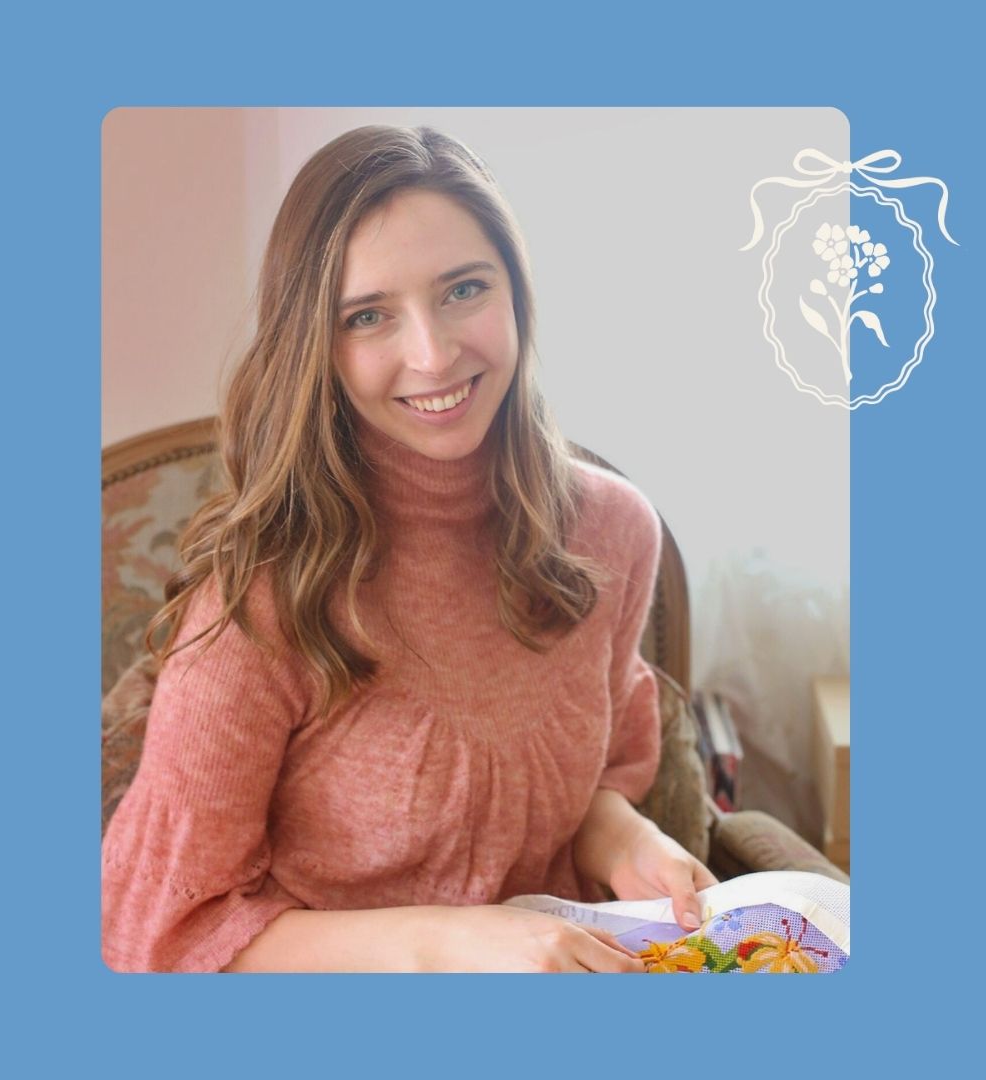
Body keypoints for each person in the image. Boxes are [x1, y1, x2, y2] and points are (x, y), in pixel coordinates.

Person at [101, 124, 717, 973]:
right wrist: (444, 943)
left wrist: (620, 833)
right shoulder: (265, 599)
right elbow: (156, 939)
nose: (433, 354)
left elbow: (603, 764)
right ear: (315, 344)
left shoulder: (613, 530)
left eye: (464, 289)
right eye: (368, 316)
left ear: (519, 294)